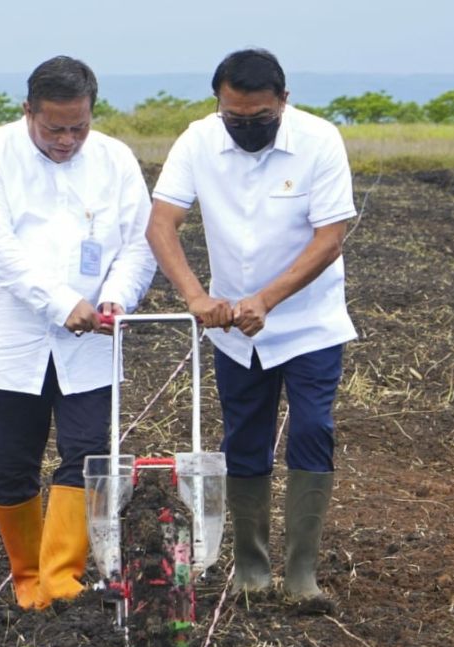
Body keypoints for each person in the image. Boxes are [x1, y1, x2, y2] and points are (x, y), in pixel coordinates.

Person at [146, 48, 357, 604]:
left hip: (309, 322)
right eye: (233, 118)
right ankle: (252, 568)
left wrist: (266, 298)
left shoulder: (319, 141)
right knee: (244, 437)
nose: (245, 128)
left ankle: (303, 574)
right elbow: (162, 223)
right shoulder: (197, 140)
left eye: (259, 118)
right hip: (234, 331)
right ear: (218, 105)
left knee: (312, 428)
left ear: (283, 102)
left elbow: (330, 238)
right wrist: (195, 295)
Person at [0, 56, 156, 610]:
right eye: (54, 128)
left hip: (91, 340)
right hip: (9, 338)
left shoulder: (115, 159)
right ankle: (27, 580)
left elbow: (139, 243)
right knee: (12, 465)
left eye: (79, 127)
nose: (68, 139)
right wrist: (60, 302)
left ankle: (62, 579)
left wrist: (117, 296)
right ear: (28, 111)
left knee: (90, 452)